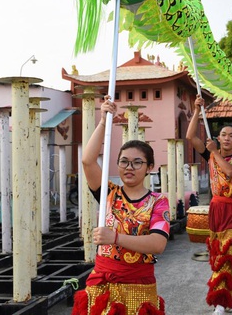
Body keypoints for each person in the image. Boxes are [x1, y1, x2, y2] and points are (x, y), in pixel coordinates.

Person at [73, 97, 170, 315]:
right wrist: (103, 121)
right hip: (102, 283)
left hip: (139, 285)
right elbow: (88, 161)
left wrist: (115, 238)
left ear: (149, 167)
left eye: (137, 162)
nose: (129, 167)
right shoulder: (108, 193)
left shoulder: (158, 201)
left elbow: (158, 244)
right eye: (124, 161)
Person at [186, 95, 232, 315]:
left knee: (228, 251)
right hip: (215, 208)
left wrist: (213, 151)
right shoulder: (212, 153)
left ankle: (221, 302)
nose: (227, 138)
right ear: (219, 138)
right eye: (224, 135)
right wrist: (196, 110)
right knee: (218, 253)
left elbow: (231, 172)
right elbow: (190, 136)